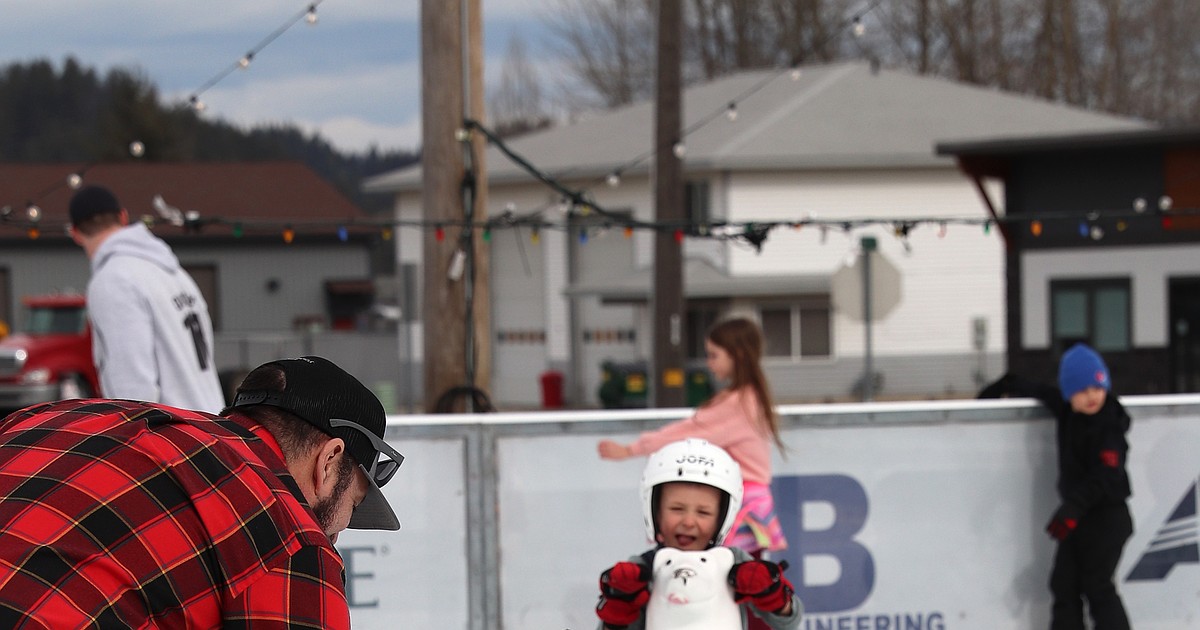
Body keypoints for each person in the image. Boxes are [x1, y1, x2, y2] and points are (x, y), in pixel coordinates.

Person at [0, 355, 404, 628]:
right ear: (329, 461)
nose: (337, 535)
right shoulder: (289, 537)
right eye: (354, 504)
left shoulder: (52, 419)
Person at [598, 317, 788, 558]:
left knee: (719, 571)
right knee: (739, 572)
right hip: (748, 498)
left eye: (714, 355)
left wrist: (632, 449)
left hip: (739, 501)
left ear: (737, 355)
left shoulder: (738, 403)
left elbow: (690, 433)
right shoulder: (749, 398)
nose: (709, 363)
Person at [978, 343, 1132, 630]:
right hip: (1078, 519)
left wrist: (1072, 508)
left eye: (1097, 388)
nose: (1092, 396)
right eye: (1083, 390)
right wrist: (1003, 386)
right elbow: (1040, 391)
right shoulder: (1068, 411)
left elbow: (1106, 476)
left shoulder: (1108, 425)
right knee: (1064, 584)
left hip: (1106, 519)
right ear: (1070, 393)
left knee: (1096, 584)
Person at [595, 438, 802, 630]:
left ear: (722, 517)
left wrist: (773, 595)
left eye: (703, 512)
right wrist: (619, 605)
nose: (688, 522)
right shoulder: (642, 569)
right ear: (655, 511)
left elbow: (789, 621)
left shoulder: (734, 563)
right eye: (676, 509)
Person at [68, 184, 225, 412]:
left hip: (172, 429)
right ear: (123, 217)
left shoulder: (113, 279)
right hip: (211, 418)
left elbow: (132, 385)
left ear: (74, 233)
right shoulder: (174, 272)